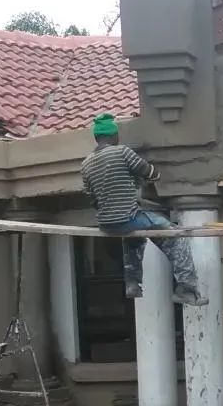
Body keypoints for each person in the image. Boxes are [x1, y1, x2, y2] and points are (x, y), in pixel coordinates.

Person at [81, 114, 207, 306]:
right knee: (174, 236)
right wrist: (151, 177)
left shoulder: (86, 164)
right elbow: (150, 173)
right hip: (128, 218)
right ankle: (186, 289)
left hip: (107, 224)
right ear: (113, 135)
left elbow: (93, 199)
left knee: (134, 238)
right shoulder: (122, 152)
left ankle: (132, 283)